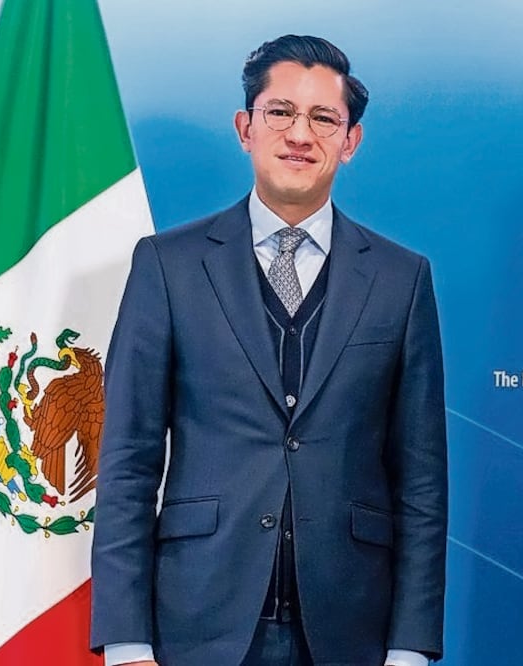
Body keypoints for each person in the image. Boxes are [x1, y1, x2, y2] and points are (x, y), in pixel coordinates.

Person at [90, 35, 448, 666]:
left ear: (350, 141)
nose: (299, 134)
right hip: (197, 625)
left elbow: (420, 482)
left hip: (350, 632)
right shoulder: (169, 266)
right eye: (279, 112)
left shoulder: (401, 279)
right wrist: (125, 642)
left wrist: (411, 647)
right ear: (245, 128)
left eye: (323, 118)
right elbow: (127, 462)